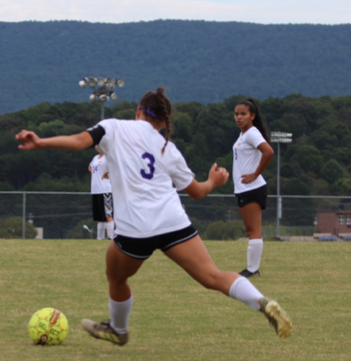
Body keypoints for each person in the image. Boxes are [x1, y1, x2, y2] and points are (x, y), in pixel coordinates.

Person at [16, 87, 291, 346]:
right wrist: (215, 181)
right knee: (213, 276)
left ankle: (119, 330)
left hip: (136, 228)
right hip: (173, 221)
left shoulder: (113, 127)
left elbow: (78, 142)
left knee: (117, 278)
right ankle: (262, 302)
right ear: (162, 122)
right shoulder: (167, 148)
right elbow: (197, 191)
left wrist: (40, 142)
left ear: (139, 110)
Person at [232, 99, 274, 278]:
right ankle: (252, 268)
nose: (239, 117)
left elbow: (269, 151)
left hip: (252, 188)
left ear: (252, 116)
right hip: (244, 189)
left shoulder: (251, 133)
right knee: (251, 230)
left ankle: (252, 269)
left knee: (253, 231)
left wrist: (255, 174)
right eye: (236, 114)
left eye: (243, 114)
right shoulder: (243, 135)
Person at [88, 146, 115, 239]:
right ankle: (100, 238)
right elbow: (90, 167)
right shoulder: (95, 158)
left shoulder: (107, 156)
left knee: (108, 214)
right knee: (100, 216)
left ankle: (111, 236)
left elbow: (115, 167)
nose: (97, 147)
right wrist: (96, 174)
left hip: (105, 189)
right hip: (96, 190)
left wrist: (107, 173)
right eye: (96, 145)